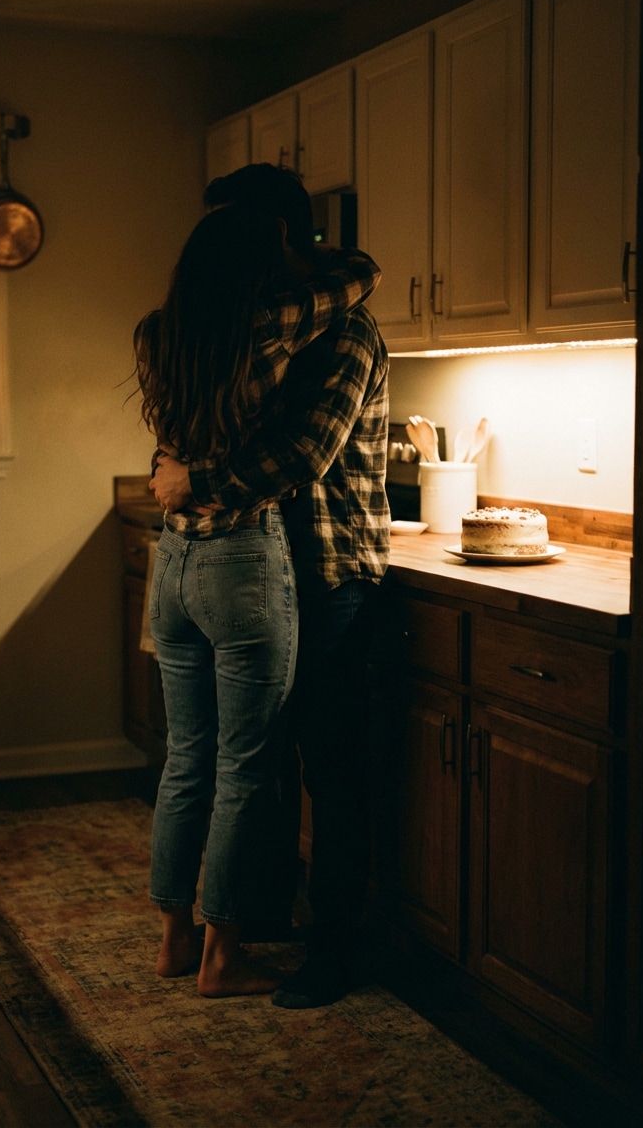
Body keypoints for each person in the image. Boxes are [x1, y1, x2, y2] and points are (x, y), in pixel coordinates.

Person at [150, 163, 391, 1009]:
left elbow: (303, 457)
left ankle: (332, 947)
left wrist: (191, 478)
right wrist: (176, 467)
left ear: (279, 238)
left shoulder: (346, 333)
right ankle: (249, 922)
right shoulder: (248, 324)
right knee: (253, 766)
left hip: (323, 574)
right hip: (250, 567)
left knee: (327, 770)